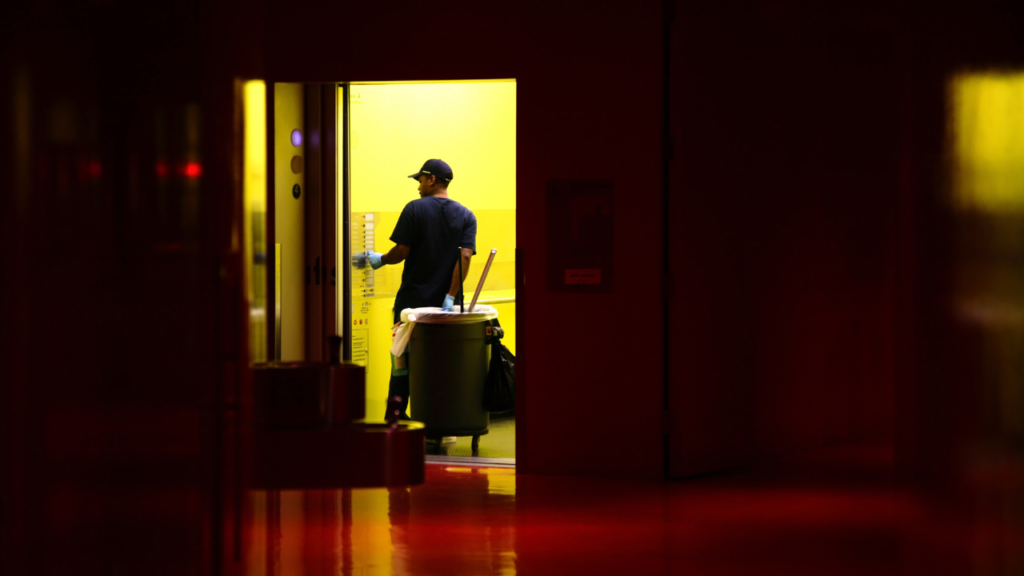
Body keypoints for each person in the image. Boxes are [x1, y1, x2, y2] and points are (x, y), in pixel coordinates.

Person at [367, 159, 477, 421]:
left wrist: (379, 259)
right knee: (442, 362)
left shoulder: (414, 209)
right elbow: (465, 258)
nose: (417, 186)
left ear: (431, 180)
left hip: (411, 305)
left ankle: (396, 417)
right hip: (446, 309)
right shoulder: (466, 215)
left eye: (419, 180)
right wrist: (450, 296)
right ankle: (438, 417)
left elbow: (401, 252)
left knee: (401, 363)